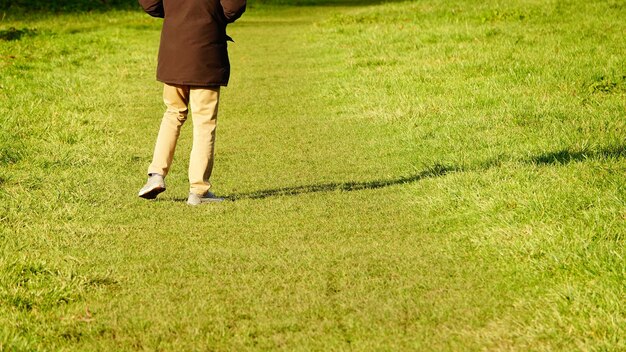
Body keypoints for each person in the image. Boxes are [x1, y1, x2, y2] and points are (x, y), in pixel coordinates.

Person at [137, 0, 246, 205]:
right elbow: (233, 7)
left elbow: (150, 4)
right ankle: (199, 191)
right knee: (204, 122)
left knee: (173, 113)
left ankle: (156, 175)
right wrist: (211, 18)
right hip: (206, 50)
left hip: (174, 49)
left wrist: (176, 15)